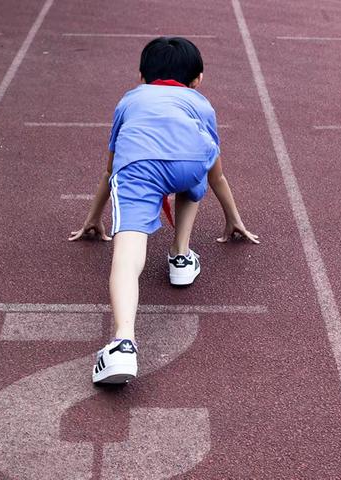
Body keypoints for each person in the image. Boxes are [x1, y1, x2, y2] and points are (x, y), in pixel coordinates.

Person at [69, 37, 259, 384]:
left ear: (141, 75)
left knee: (127, 258)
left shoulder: (129, 100)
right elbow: (215, 172)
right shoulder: (200, 104)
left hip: (138, 168)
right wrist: (234, 218)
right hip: (189, 163)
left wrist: (94, 217)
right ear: (198, 78)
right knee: (193, 176)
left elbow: (110, 170)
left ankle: (122, 342)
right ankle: (181, 256)